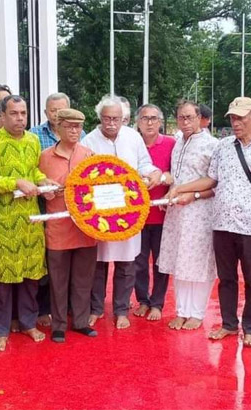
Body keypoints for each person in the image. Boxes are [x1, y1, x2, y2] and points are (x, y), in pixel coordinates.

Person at [169, 97, 251, 348]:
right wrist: (181, 188)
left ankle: (250, 329)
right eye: (232, 117)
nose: (235, 122)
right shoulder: (223, 147)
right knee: (226, 278)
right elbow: (211, 180)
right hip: (221, 224)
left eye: (241, 117)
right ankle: (229, 324)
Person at [0, 95, 57, 350]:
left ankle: (28, 322)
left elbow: (33, 171)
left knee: (31, 276)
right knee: (3, 278)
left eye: (23, 113)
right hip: (3, 220)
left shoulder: (33, 141)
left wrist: (42, 181)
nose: (20, 119)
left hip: (31, 219)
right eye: (14, 113)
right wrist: (15, 183)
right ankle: (1, 328)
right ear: (1, 115)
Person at [82, 95, 161, 329]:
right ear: (100, 118)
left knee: (127, 263)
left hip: (128, 211)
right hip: (101, 213)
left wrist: (153, 173)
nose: (111, 123)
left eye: (116, 118)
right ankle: (96, 308)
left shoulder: (133, 137)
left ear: (124, 119)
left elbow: (144, 165)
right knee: (98, 263)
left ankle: (121, 309)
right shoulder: (89, 141)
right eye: (107, 118)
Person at [38, 108, 98, 343]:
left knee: (84, 279)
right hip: (58, 227)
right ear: (58, 127)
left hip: (85, 228)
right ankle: (59, 324)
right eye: (69, 126)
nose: (74, 131)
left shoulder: (89, 154)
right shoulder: (45, 156)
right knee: (58, 280)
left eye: (78, 126)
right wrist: (45, 186)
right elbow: (39, 189)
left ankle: (81, 322)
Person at [160, 100, 217, 330]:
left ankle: (197, 313)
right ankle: (182, 310)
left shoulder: (212, 145)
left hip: (200, 210)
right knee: (180, 260)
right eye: (181, 118)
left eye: (190, 117)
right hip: (177, 212)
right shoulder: (177, 143)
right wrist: (168, 193)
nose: (185, 122)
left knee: (200, 262)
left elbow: (212, 180)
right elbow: (176, 175)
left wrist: (183, 191)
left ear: (199, 118)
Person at [132, 104, 175, 321]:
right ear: (137, 122)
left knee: (161, 261)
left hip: (162, 214)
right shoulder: (131, 143)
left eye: (154, 118)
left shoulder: (171, 144)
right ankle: (142, 300)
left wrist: (163, 176)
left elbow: (179, 173)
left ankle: (157, 303)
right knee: (138, 262)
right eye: (144, 118)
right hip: (135, 215)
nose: (149, 123)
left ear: (160, 121)